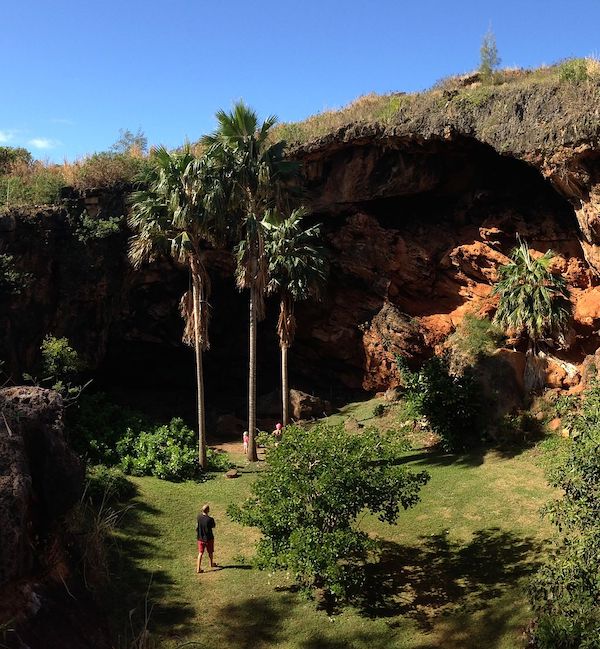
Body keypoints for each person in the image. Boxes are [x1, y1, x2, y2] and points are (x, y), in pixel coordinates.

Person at [196, 503, 217, 573]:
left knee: (200, 553)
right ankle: (211, 563)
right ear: (208, 510)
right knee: (210, 552)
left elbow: (197, 526)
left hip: (200, 538)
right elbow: (213, 526)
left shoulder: (198, 517)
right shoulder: (210, 519)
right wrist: (211, 519)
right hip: (209, 539)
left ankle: (198, 568)